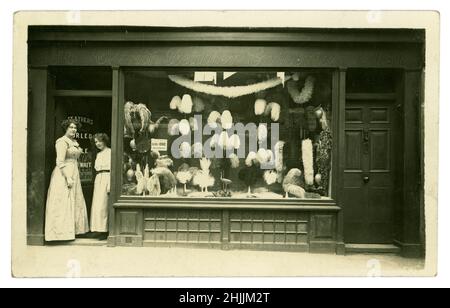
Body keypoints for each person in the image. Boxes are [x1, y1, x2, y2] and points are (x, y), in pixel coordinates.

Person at [45, 119, 89, 241]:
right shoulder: (62, 142)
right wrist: (68, 177)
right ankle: (60, 233)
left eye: (75, 128)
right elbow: (59, 161)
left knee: (74, 200)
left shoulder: (74, 141)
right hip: (64, 173)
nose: (73, 130)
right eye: (71, 127)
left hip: (74, 171)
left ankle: (73, 231)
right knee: (63, 200)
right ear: (66, 128)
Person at [90, 133, 111, 240]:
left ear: (104, 140)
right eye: (96, 142)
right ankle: (98, 229)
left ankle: (105, 230)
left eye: (99, 141)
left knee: (103, 206)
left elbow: (112, 169)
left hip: (107, 178)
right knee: (97, 205)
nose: (98, 144)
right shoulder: (98, 154)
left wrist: (110, 184)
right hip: (99, 179)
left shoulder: (110, 152)